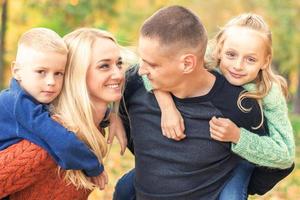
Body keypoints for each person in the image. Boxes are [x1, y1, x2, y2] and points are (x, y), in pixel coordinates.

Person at [114, 6, 294, 200]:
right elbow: (154, 67)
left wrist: (238, 137)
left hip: (244, 155)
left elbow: (284, 157)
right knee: (125, 187)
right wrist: (165, 107)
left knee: (231, 194)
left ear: (265, 61)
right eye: (231, 55)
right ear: (219, 50)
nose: (238, 65)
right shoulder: (203, 59)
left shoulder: (263, 96)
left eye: (250, 59)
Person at [0, 28, 125, 199]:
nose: (118, 74)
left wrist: (110, 116)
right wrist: (94, 166)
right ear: (76, 75)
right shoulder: (47, 140)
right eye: (104, 66)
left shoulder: (92, 128)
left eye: (119, 63)